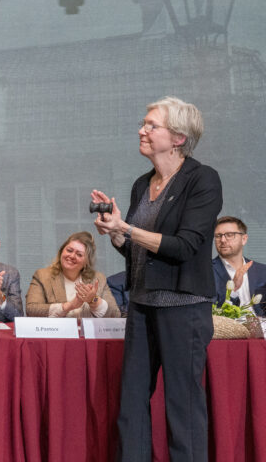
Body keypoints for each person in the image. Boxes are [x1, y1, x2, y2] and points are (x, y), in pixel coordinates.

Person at [92, 96, 222, 461]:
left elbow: (185, 246)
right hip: (142, 305)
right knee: (132, 402)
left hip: (184, 308)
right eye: (143, 123)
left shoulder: (202, 179)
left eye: (152, 125)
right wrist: (116, 233)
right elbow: (139, 253)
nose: (142, 130)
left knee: (183, 405)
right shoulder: (141, 184)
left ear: (178, 138)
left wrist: (127, 229)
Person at [25, 231, 119, 318]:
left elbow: (115, 314)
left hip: (87, 331)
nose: (72, 256)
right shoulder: (42, 276)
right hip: (57, 330)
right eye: (69, 250)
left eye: (79, 254)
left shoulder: (98, 279)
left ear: (86, 262)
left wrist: (93, 300)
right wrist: (69, 306)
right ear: (61, 252)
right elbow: (31, 310)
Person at [212, 216, 266, 315]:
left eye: (229, 235)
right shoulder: (206, 271)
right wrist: (232, 290)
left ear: (244, 239)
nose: (223, 240)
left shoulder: (262, 271)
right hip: (226, 324)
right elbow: (209, 311)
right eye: (218, 236)